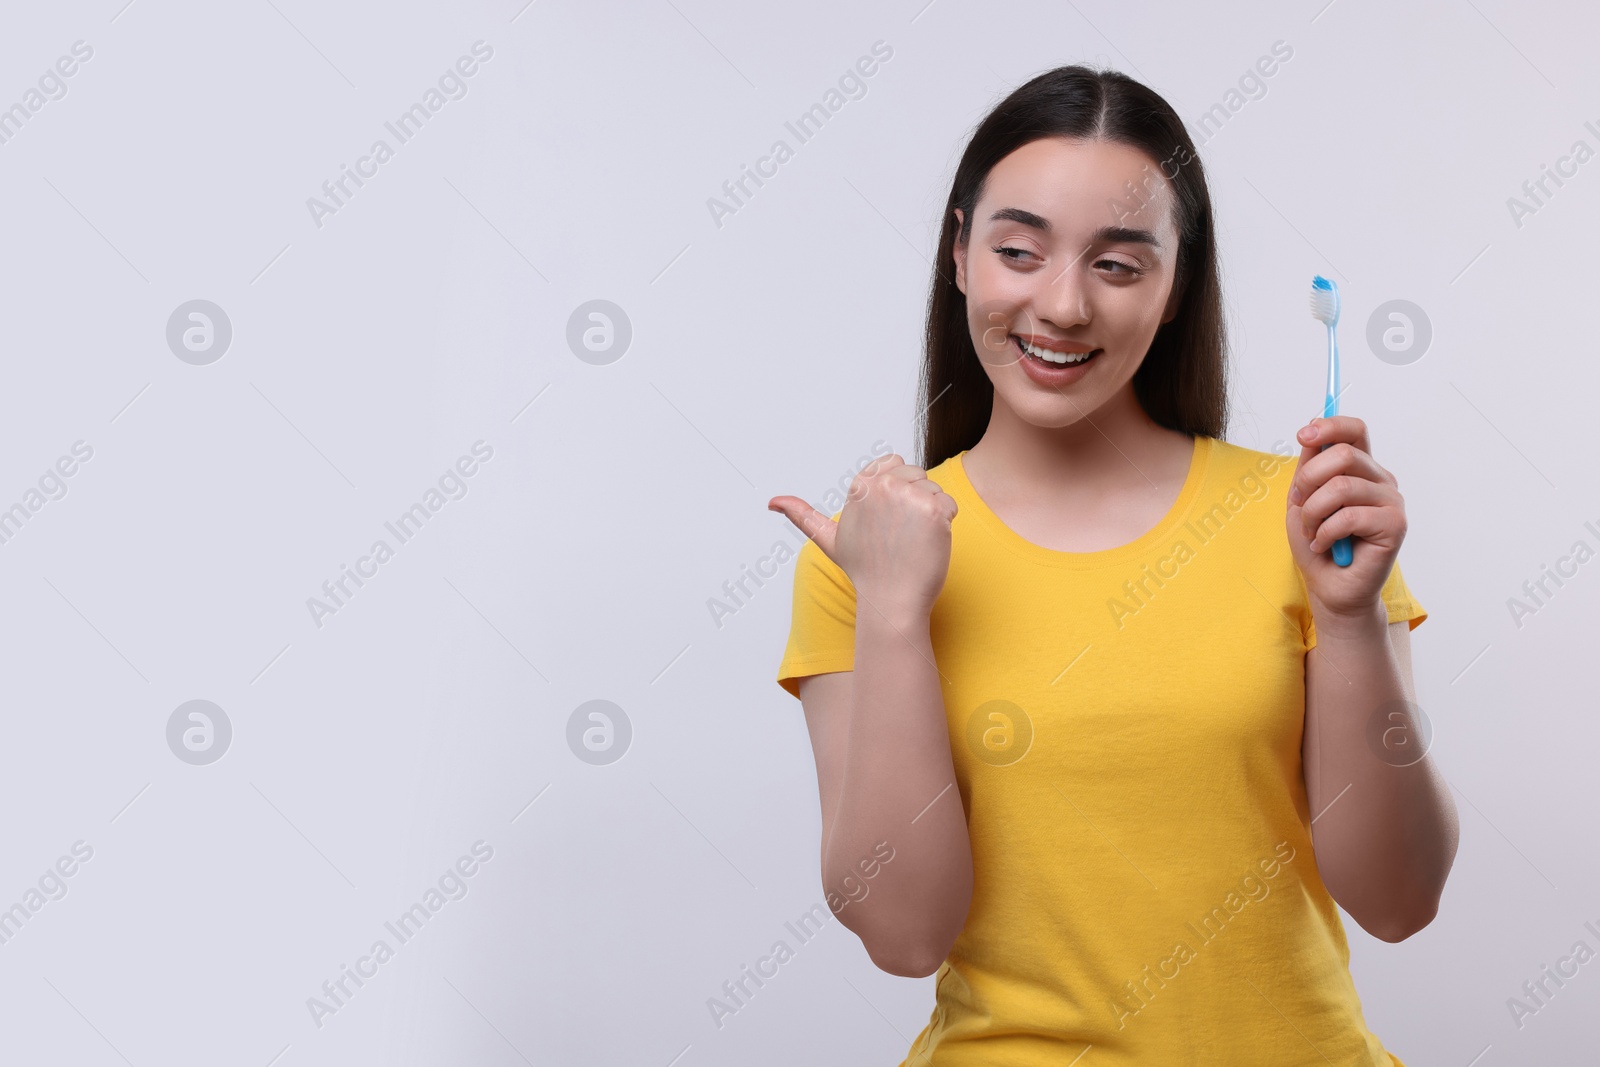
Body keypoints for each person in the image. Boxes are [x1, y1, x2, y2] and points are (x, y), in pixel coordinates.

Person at [766, 64, 1459, 1065]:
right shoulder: (870, 552)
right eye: (1017, 250)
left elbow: (1399, 899)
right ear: (959, 254)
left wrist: (1348, 620)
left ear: (1177, 287)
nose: (1061, 304)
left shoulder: (1308, 522)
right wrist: (893, 612)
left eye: (1119, 265)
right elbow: (903, 932)